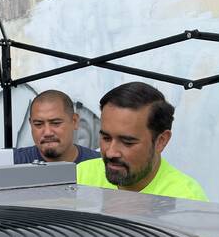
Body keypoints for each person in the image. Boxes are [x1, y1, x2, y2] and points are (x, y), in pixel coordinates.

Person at [77, 82, 207, 201]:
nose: (111, 153)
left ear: (161, 141)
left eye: (127, 142)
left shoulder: (185, 200)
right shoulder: (80, 176)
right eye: (106, 138)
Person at [13, 90, 100, 164]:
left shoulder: (100, 164)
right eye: (38, 124)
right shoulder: (12, 162)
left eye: (55, 123)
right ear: (31, 124)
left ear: (74, 121)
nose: (47, 132)